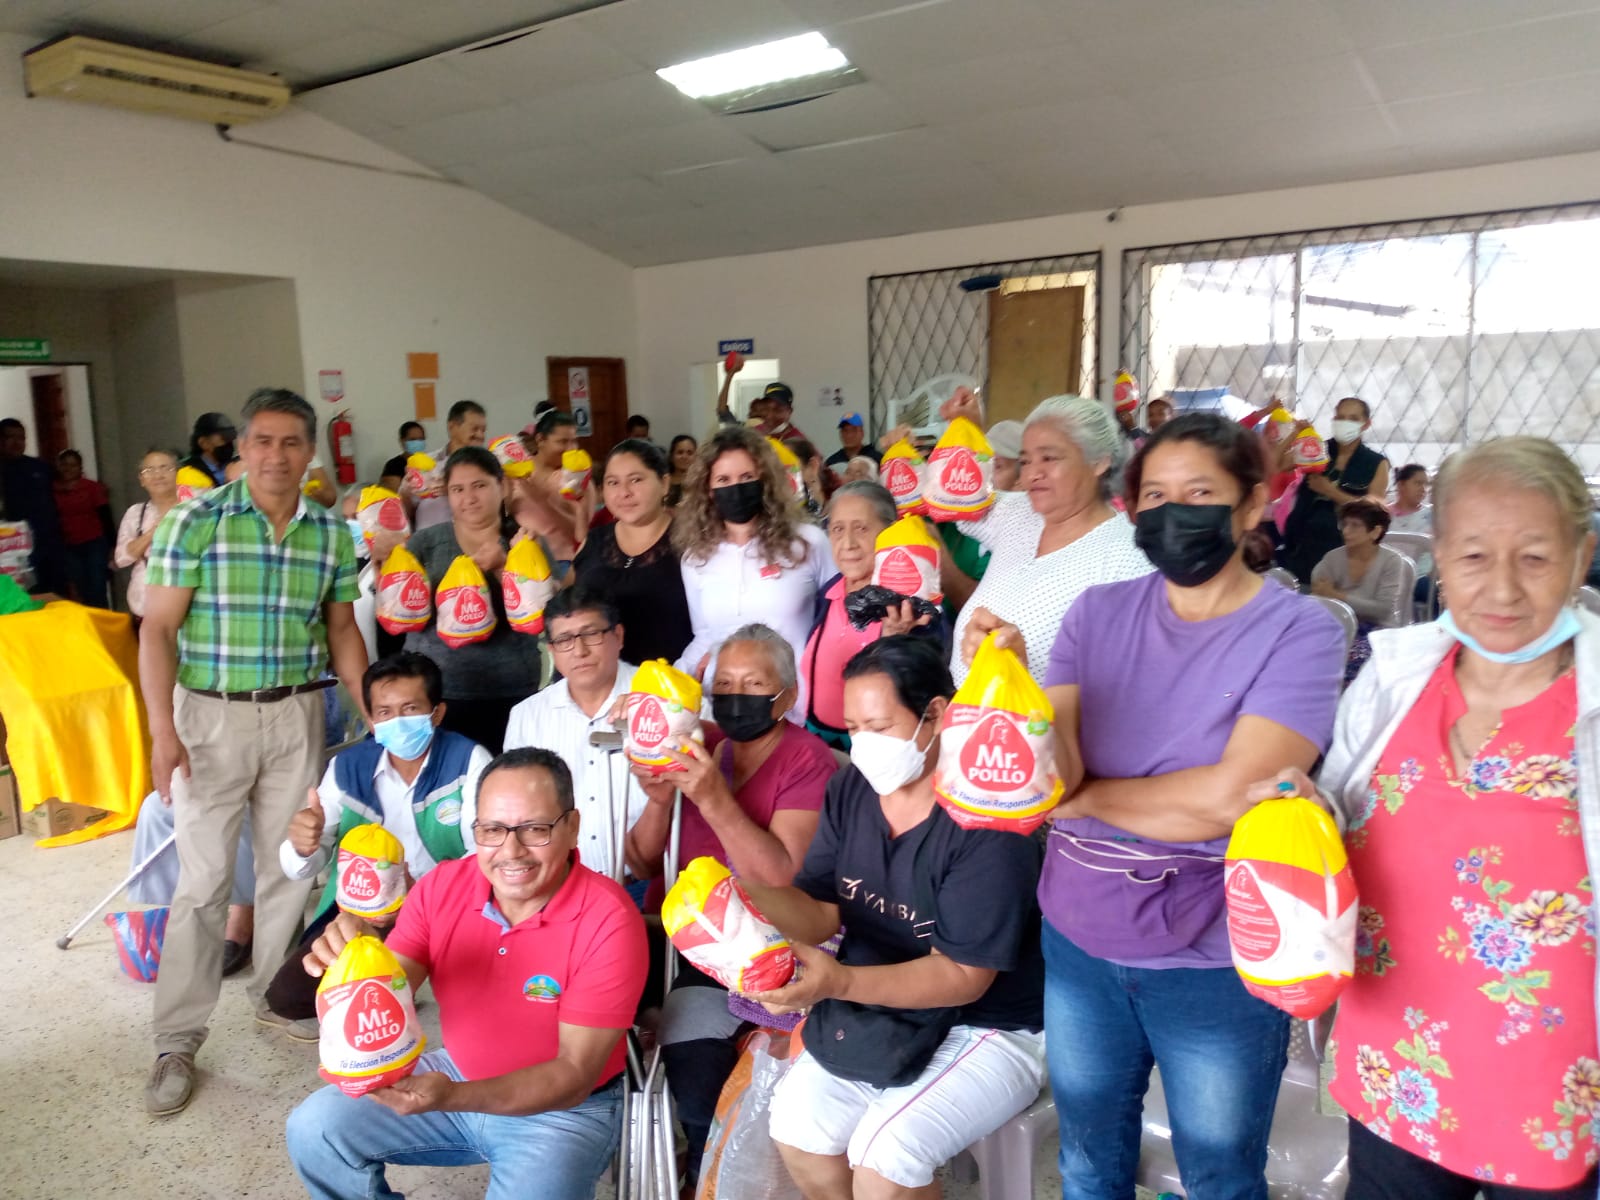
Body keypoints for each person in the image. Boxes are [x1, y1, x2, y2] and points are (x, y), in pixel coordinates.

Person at [1252, 436, 1600, 1200]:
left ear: (1582, 557)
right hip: (1393, 1063)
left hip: (1553, 1090)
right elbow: (1351, 818)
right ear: (1439, 556)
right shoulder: (1394, 678)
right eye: (1474, 556)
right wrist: (1307, 811)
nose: (1502, 587)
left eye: (1535, 557)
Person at [1011, 411, 1345, 1200]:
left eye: (1199, 493)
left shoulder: (1299, 631)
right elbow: (1051, 776)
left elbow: (1232, 800)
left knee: (1218, 1171)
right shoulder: (1095, 613)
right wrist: (1009, 686)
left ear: (1252, 503)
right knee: (1088, 1159)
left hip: (1214, 958)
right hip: (1081, 939)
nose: (1174, 513)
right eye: (1155, 496)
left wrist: (1084, 800)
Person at [748, 637, 1046, 1198]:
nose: (863, 746)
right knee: (796, 1128)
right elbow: (820, 912)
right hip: (881, 1008)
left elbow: (962, 976)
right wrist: (747, 899)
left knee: (885, 1158)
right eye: (853, 728)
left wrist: (837, 982)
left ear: (936, 714)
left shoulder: (987, 819)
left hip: (990, 1022)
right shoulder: (853, 789)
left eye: (880, 727)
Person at [139, 387, 367, 1117]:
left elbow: (342, 630)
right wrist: (162, 731)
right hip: (210, 717)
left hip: (298, 713)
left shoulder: (330, 533)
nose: (276, 455)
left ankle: (276, 996)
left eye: (291, 442)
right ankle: (176, 1039)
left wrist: (374, 713)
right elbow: (156, 630)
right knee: (204, 881)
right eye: (262, 441)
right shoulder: (195, 520)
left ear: (310, 452)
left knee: (291, 868)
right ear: (241, 448)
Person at [285, 748, 648, 1200]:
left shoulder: (609, 920)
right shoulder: (442, 886)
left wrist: (454, 1096)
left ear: (572, 827)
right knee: (315, 1128)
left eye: (535, 829)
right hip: (456, 1072)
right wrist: (357, 955)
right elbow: (390, 991)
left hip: (562, 1112)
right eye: (492, 830)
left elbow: (574, 1074)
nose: (510, 851)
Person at [628, 624, 838, 1191]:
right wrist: (659, 800)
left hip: (769, 951)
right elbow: (643, 863)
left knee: (710, 1092)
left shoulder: (807, 760)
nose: (735, 695)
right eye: (723, 684)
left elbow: (782, 881)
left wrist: (712, 798)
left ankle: (713, 1177)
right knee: (683, 1076)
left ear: (787, 697)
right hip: (688, 950)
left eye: (754, 684)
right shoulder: (700, 743)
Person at [261, 651, 491, 1037]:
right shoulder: (347, 767)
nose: (396, 721)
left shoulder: (468, 760)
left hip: (446, 905)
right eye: (384, 712)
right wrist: (303, 845)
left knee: (481, 1002)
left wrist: (420, 897)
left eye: (410, 709)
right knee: (287, 998)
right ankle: (392, 975)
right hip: (363, 911)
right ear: (371, 719)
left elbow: (483, 856)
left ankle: (411, 972)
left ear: (436, 713)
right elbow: (303, 865)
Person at [946, 392, 1153, 686]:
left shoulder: (1127, 558)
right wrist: (967, 430)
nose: (1032, 474)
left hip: (1039, 714)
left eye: (1049, 458)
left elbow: (1123, 684)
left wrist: (1021, 669)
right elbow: (956, 497)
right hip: (962, 707)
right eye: (1026, 461)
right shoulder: (1019, 514)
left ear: (1099, 462)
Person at [672, 427, 835, 715]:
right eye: (723, 480)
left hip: (796, 707)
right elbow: (706, 636)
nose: (735, 488)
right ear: (708, 489)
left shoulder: (808, 543)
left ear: (765, 481)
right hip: (726, 707)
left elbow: (836, 619)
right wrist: (667, 682)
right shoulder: (696, 558)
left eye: (747, 477)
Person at [403, 446, 543, 755]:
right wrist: (382, 564)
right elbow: (396, 613)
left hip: (509, 689)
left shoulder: (524, 541)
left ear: (501, 486)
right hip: (435, 691)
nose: (469, 498)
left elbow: (543, 614)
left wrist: (503, 567)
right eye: (458, 489)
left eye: (479, 485)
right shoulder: (425, 542)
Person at [504, 587, 645, 886]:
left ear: (618, 636)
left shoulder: (663, 698)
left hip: (651, 879)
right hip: (564, 882)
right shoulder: (527, 716)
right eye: (564, 640)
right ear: (551, 650)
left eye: (591, 634)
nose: (579, 651)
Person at [801, 480, 941, 748]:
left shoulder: (909, 604)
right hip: (817, 738)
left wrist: (896, 643)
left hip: (875, 749)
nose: (848, 543)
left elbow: (924, 691)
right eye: (837, 529)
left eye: (861, 528)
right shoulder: (828, 592)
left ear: (890, 531)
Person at [569, 439, 692, 667]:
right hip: (601, 678)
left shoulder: (691, 542)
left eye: (636, 480)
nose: (624, 492)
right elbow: (567, 601)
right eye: (613, 482)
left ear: (664, 484)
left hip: (669, 681)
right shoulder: (594, 540)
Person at [1280, 395, 1391, 583]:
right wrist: (1296, 434)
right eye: (1340, 417)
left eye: (1353, 419)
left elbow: (1375, 512)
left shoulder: (1376, 463)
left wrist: (1331, 492)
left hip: (1344, 551)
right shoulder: (1317, 449)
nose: (1345, 423)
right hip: (1301, 545)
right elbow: (1276, 464)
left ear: (1366, 424)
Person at [1313, 498, 1410, 682]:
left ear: (1375, 531)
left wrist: (1337, 596)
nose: (1346, 531)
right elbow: (1320, 598)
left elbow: (1383, 610)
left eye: (1355, 526)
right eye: (1345, 524)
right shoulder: (1332, 558)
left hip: (1379, 631)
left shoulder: (1392, 561)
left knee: (1355, 661)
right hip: (1339, 628)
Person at [509, 406, 589, 574]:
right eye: (562, 442)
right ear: (540, 439)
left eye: (574, 441)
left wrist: (543, 502)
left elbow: (584, 536)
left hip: (568, 564)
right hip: (525, 563)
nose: (571, 449)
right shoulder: (516, 474)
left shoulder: (578, 478)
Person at [0, 416, 66, 593]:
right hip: (13, 549)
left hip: (49, 542)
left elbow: (64, 489)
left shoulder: (39, 467)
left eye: (21, 438)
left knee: (56, 593)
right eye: (10, 437)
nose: (17, 442)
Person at [114, 449, 181, 625]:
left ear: (177, 473)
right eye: (149, 470)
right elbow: (121, 559)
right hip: (145, 605)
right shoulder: (136, 513)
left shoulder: (194, 507)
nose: (158, 475)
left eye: (165, 468)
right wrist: (152, 532)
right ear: (142, 480)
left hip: (187, 605)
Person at [408, 399, 486, 530]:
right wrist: (407, 491)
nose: (480, 435)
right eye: (474, 429)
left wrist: (452, 489)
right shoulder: (427, 461)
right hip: (426, 537)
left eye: (483, 430)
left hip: (470, 536)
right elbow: (406, 507)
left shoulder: (487, 464)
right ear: (452, 427)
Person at [52, 448, 113, 608]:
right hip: (69, 546)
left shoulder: (92, 488)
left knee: (97, 586)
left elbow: (106, 517)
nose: (68, 469)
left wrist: (113, 546)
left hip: (94, 543)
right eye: (64, 464)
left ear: (80, 467)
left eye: (73, 465)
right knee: (81, 587)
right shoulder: (52, 489)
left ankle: (104, 620)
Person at [183, 412, 236, 486]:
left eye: (230, 438)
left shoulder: (234, 464)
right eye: (224, 439)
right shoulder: (188, 473)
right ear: (204, 443)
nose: (229, 443)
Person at [379, 421, 428, 492]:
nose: (417, 443)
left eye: (421, 439)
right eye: (413, 439)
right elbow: (393, 493)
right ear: (402, 441)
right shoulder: (393, 465)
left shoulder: (430, 462)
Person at [666, 434, 697, 507]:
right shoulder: (663, 481)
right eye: (680, 452)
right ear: (671, 456)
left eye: (689, 453)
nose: (684, 457)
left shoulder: (700, 483)